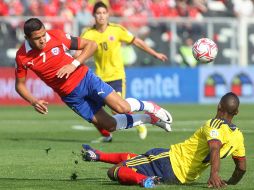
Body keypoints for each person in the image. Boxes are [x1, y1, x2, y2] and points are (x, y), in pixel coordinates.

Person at [15, 18, 173, 140]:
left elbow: (91, 45)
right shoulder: (22, 57)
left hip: (85, 79)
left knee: (122, 108)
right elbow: (20, 85)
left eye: (44, 34)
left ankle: (150, 107)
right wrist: (34, 101)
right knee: (110, 126)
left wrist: (74, 64)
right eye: (38, 38)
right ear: (27, 37)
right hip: (71, 96)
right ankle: (149, 119)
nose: (43, 39)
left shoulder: (56, 36)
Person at [81, 92, 246, 188]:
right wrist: (229, 182)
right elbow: (241, 167)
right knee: (136, 159)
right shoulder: (238, 135)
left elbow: (215, 147)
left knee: (114, 172)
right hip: (181, 178)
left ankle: (143, 180)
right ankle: (98, 155)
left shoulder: (214, 124)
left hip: (169, 161)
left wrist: (215, 174)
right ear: (237, 112)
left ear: (218, 106)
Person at [76, 1, 169, 142]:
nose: (101, 16)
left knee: (116, 109)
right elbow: (78, 53)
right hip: (99, 78)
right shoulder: (89, 33)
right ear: (93, 16)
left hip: (116, 76)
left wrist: (154, 53)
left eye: (103, 13)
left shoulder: (116, 29)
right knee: (92, 110)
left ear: (108, 15)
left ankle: (139, 124)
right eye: (98, 13)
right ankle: (106, 136)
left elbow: (136, 41)